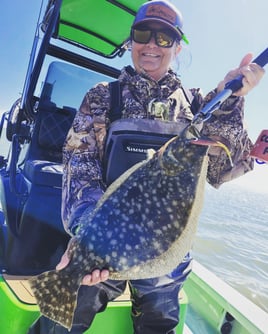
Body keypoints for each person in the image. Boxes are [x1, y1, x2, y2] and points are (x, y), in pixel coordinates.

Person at [28, 1, 265, 333]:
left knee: (159, 323)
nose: (152, 45)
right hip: (103, 243)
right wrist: (88, 238)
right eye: (144, 34)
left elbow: (219, 171)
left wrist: (232, 100)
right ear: (131, 41)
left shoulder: (199, 105)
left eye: (165, 38)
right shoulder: (101, 97)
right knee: (60, 319)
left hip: (164, 248)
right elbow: (79, 169)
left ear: (178, 47)